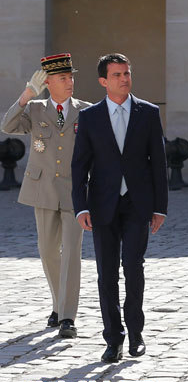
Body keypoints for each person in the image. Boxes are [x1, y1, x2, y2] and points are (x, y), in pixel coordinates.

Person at [71, 54, 168, 363]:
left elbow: (158, 163)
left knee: (134, 267)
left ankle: (136, 333)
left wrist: (160, 208)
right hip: (102, 206)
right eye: (116, 75)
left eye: (127, 73)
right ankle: (113, 338)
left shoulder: (148, 113)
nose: (124, 78)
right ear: (103, 81)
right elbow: (79, 167)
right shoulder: (90, 117)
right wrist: (80, 207)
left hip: (138, 204)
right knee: (106, 273)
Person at [2, 54, 90, 339]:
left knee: (71, 254)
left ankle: (67, 317)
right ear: (48, 82)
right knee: (49, 252)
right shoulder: (36, 109)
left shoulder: (86, 110)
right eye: (62, 78)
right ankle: (57, 303)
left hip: (76, 191)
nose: (69, 82)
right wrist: (26, 94)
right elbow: (8, 126)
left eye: (71, 77)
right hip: (42, 190)